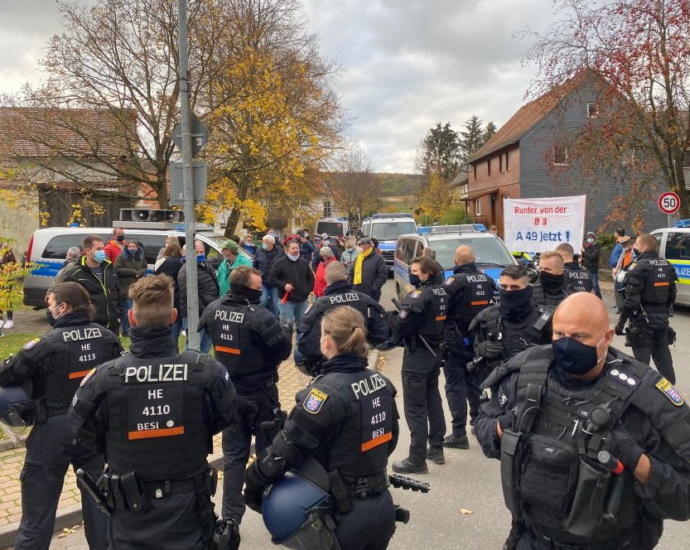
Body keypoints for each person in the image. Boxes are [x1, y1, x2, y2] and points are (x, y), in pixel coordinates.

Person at [475, 292, 690, 550]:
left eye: (580, 337)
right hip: (531, 538)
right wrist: (503, 428)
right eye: (559, 335)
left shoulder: (645, 398)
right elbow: (482, 422)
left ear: (607, 337)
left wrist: (635, 459)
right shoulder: (527, 373)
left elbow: (684, 499)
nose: (567, 345)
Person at [68, 274, 237, 550]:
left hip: (130, 521)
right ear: (173, 316)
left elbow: (82, 432)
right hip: (189, 516)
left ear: (132, 319)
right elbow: (224, 417)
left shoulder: (103, 379)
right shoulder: (207, 371)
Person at [245, 306, 399, 550]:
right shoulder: (381, 383)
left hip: (341, 516)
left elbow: (283, 452)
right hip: (381, 507)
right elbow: (390, 440)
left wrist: (253, 482)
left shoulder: (324, 395)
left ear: (326, 341)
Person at [0, 282, 123, 550]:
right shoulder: (107, 338)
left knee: (37, 514)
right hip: (93, 431)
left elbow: (6, 373)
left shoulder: (46, 344)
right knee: (100, 505)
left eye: (50, 302)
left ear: (63, 307)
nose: (49, 307)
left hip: (52, 431)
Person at [198, 266, 291, 540]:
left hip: (229, 395)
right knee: (269, 455)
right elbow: (282, 350)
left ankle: (230, 519)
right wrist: (286, 330)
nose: (260, 290)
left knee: (234, 458)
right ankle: (273, 510)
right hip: (261, 395)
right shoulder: (260, 317)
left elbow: (206, 332)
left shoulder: (213, 309)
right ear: (247, 288)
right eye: (257, 286)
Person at [389, 256, 448, 474]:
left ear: (426, 274)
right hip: (434, 352)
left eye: (415, 271)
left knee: (415, 408)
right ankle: (437, 448)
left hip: (418, 356)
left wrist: (390, 319)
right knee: (433, 399)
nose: (412, 274)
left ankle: (416, 459)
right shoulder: (442, 291)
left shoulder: (419, 295)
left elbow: (402, 326)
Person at [442, 245, 495, 449]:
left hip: (455, 339)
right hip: (479, 341)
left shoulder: (454, 283)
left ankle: (458, 434)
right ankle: (479, 423)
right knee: (475, 382)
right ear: (474, 260)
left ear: (456, 262)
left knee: (454, 386)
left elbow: (443, 306)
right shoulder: (487, 279)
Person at [296, 262, 389, 374]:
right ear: (345, 278)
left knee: (297, 354)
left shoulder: (319, 306)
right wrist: (361, 346)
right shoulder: (364, 299)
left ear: (325, 280)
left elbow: (306, 346)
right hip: (359, 363)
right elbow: (381, 333)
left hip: (330, 367)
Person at [615, 233, 678, 383]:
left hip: (642, 321)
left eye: (636, 244)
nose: (634, 247)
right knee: (664, 359)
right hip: (662, 320)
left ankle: (643, 397)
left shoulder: (638, 267)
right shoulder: (667, 265)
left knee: (641, 367)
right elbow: (671, 295)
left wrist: (620, 324)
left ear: (644, 247)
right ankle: (669, 394)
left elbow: (631, 301)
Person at [63, 235, 122, 335]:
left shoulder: (109, 268)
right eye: (98, 249)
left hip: (112, 326)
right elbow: (68, 301)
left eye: (103, 248)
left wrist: (118, 314)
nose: (102, 252)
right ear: (88, 251)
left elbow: (117, 292)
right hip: (89, 326)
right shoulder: (75, 274)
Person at [178, 239, 219, 353]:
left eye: (202, 252)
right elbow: (188, 295)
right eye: (197, 253)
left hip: (208, 310)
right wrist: (204, 310)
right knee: (193, 346)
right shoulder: (185, 270)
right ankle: (189, 368)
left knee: (206, 345)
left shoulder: (206, 264)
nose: (200, 254)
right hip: (195, 314)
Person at [268, 239, 314, 330]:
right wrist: (283, 285)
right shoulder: (279, 263)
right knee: (286, 327)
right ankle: (286, 344)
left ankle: (299, 344)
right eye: (293, 248)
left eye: (297, 248)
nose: (296, 250)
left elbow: (311, 278)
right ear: (287, 249)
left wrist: (307, 290)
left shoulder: (304, 263)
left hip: (302, 301)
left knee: (302, 327)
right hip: (286, 302)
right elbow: (272, 278)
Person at [154, 239, 184, 350]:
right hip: (177, 297)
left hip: (163, 297)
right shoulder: (181, 262)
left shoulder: (161, 262)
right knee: (175, 328)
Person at [114, 239, 147, 337]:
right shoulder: (121, 257)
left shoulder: (141, 257)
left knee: (137, 309)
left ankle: (135, 328)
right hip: (126, 287)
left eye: (134, 247)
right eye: (130, 247)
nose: (132, 249)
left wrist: (140, 273)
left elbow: (144, 267)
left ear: (137, 248)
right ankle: (125, 329)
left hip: (138, 286)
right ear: (127, 247)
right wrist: (133, 272)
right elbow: (117, 269)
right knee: (128, 310)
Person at [253, 234, 284, 317]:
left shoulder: (280, 252)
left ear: (271, 243)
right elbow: (255, 265)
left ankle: (276, 321)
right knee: (262, 301)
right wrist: (257, 275)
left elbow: (283, 266)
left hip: (276, 281)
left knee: (275, 303)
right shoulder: (259, 250)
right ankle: (259, 319)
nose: (263, 244)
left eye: (265, 242)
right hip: (262, 280)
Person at [349, 237, 388, 303]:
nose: (359, 247)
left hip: (372, 294)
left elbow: (383, 275)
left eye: (361, 245)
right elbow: (351, 273)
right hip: (356, 292)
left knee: (371, 312)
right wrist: (351, 284)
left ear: (368, 245)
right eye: (358, 245)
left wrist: (374, 287)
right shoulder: (358, 258)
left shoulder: (378, 258)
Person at [612, 235, 634, 313]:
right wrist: (616, 269)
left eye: (624, 245)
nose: (623, 247)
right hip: (623, 271)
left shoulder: (634, 251)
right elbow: (620, 260)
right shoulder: (624, 250)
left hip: (630, 272)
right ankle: (620, 306)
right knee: (617, 286)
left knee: (627, 290)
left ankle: (627, 307)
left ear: (629, 244)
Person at [0, 243, 18, 330]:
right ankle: (0, 319)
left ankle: (9, 319)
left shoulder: (7, 249)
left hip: (6, 279)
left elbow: (15, 265)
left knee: (7, 299)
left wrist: (6, 270)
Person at [581, 231, 602, 298]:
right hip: (585, 269)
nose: (590, 239)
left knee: (595, 285)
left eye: (591, 238)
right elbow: (584, 257)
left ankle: (599, 297)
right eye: (589, 238)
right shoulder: (584, 246)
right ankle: (586, 298)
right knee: (586, 285)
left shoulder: (596, 247)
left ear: (594, 239)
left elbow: (592, 257)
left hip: (593, 269)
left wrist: (584, 251)